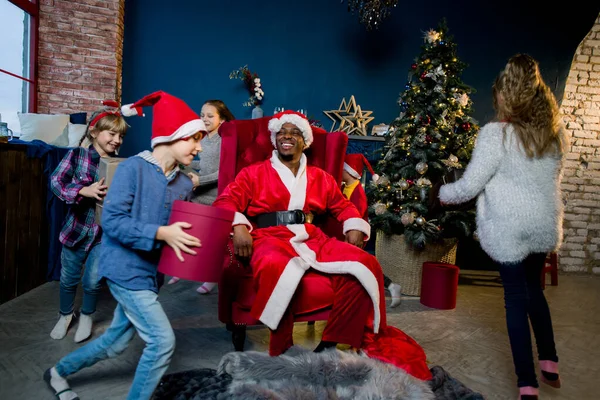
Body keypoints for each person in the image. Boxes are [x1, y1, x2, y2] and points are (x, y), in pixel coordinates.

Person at [43, 91, 204, 400]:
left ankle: (57, 372)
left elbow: (177, 230)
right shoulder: (132, 169)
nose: (198, 148)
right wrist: (161, 233)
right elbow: (112, 222)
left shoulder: (184, 184)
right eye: (193, 139)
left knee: (115, 342)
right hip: (124, 271)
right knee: (161, 342)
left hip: (151, 277)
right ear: (172, 137)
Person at [439, 54, 566, 400]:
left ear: (504, 96)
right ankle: (550, 361)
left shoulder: (495, 135)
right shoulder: (553, 135)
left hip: (509, 227)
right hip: (542, 224)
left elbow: (469, 186)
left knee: (514, 300)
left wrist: (441, 194)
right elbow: (553, 180)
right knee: (534, 292)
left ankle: (526, 382)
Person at [212, 110, 386, 356]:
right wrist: (238, 225)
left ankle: (331, 342)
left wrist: (354, 225)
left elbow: (342, 205)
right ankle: (282, 348)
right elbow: (225, 201)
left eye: (295, 133)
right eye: (282, 132)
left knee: (365, 263)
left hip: (313, 238)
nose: (287, 136)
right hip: (269, 237)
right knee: (275, 264)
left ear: (305, 141)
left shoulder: (320, 177)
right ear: (274, 139)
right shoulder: (253, 173)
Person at [49, 101, 128, 343]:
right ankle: (65, 315)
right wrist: (83, 191)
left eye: (121, 136)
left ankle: (87, 315)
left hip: (104, 236)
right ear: (94, 132)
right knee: (69, 277)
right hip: (76, 230)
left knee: (93, 280)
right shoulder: (77, 155)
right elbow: (56, 182)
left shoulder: (122, 165)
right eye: (112, 133)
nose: (117, 140)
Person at [168, 99, 235, 294]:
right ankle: (179, 267)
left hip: (214, 196)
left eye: (210, 115)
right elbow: (203, 164)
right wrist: (184, 165)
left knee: (210, 242)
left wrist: (200, 181)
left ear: (221, 119)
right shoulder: (203, 138)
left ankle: (210, 277)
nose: (204, 119)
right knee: (186, 228)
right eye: (202, 114)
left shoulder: (225, 140)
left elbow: (224, 171)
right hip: (197, 194)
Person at [341, 153, 403, 308]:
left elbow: (358, 215)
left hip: (355, 236)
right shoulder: (345, 187)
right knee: (361, 265)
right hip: (346, 235)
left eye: (342, 169)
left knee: (364, 264)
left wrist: (355, 235)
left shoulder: (357, 192)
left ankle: (388, 286)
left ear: (350, 171)